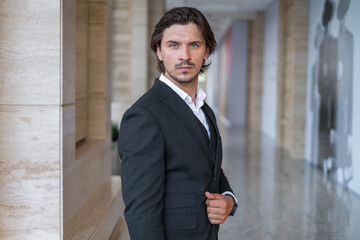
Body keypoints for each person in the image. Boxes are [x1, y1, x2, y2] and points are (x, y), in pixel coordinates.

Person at [117, 7, 237, 240]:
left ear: (207, 51)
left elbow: (210, 168)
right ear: (159, 52)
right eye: (173, 45)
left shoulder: (203, 109)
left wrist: (229, 198)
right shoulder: (144, 116)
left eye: (194, 45)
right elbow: (141, 212)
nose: (185, 56)